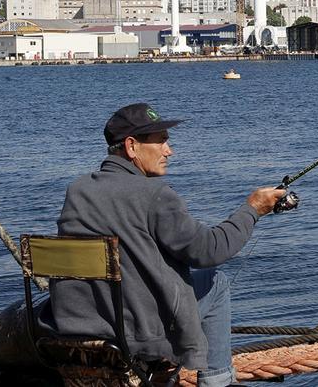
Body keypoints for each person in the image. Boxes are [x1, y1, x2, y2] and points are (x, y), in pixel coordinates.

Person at [43, 103, 284, 386]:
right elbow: (208, 250)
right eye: (161, 141)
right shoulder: (155, 195)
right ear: (132, 147)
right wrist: (252, 209)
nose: (169, 151)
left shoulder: (78, 189)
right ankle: (218, 381)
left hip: (77, 329)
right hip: (138, 335)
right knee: (216, 282)